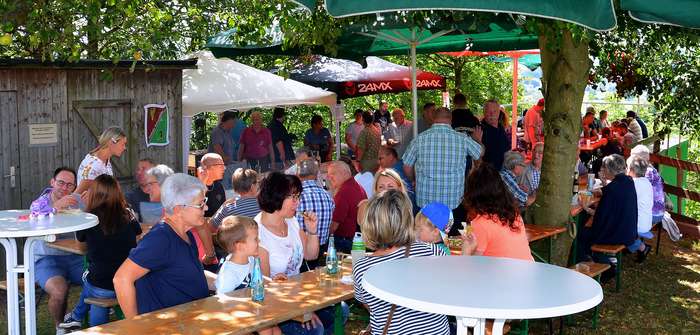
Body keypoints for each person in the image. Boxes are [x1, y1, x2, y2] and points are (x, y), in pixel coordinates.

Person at [353, 190, 450, 335]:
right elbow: (448, 293)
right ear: (408, 220)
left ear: (370, 224)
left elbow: (370, 306)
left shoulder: (361, 268)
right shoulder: (434, 253)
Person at [114, 173, 211, 318]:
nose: (206, 207)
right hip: (168, 327)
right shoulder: (160, 239)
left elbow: (188, 275)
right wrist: (134, 326)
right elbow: (122, 278)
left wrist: (224, 279)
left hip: (191, 319)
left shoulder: (186, 233)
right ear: (179, 209)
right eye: (200, 204)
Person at [255, 172, 339, 334]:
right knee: (315, 329)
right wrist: (302, 309)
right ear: (276, 196)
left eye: (298, 197)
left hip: (298, 295)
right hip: (277, 304)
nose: (298, 203)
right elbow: (265, 288)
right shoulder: (258, 233)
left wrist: (312, 231)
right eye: (293, 197)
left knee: (340, 310)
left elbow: (311, 255)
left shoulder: (291, 221)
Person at [59, 175, 142, 329]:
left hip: (102, 284)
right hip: (129, 280)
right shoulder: (128, 214)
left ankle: (79, 318)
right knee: (95, 285)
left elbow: (81, 248)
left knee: (92, 281)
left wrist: (84, 209)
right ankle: (78, 317)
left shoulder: (88, 218)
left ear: (94, 193)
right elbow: (138, 236)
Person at [30, 168, 83, 334]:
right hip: (46, 259)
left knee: (98, 280)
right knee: (59, 290)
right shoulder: (39, 203)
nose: (64, 188)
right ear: (52, 182)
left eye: (70, 185)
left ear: (74, 187)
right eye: (61, 183)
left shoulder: (78, 201)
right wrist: (56, 207)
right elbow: (36, 224)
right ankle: (61, 327)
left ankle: (78, 316)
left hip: (75, 257)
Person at [403, 107, 483, 216]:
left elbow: (407, 166)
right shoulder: (462, 139)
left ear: (433, 118)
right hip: (453, 202)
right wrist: (477, 140)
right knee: (453, 233)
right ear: (451, 119)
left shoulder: (419, 139)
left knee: (427, 232)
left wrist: (413, 180)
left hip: (425, 203)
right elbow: (480, 153)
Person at [214, 216, 282, 335]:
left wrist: (271, 281)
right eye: (255, 239)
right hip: (237, 319)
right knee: (266, 330)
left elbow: (257, 279)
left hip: (253, 312)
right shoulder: (229, 273)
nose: (259, 241)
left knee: (275, 330)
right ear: (240, 246)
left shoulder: (250, 259)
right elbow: (222, 302)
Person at [461, 164, 534, 261]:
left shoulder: (481, 223)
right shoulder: (514, 215)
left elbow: (472, 267)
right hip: (528, 270)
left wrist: (465, 251)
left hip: (504, 274)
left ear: (473, 193)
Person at [578, 155, 638, 265]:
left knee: (581, 234)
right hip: (629, 232)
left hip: (617, 234)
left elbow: (600, 216)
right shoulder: (628, 181)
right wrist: (603, 182)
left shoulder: (613, 189)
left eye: (603, 168)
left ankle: (591, 263)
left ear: (609, 170)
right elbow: (608, 190)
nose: (602, 170)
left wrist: (586, 208)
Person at [295, 159, 334, 268]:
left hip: (300, 254)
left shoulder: (295, 197)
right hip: (322, 253)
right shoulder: (327, 196)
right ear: (317, 175)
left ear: (298, 174)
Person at [327, 161, 367, 253]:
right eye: (328, 175)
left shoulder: (343, 191)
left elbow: (333, 226)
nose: (329, 178)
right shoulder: (358, 187)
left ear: (344, 173)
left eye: (332, 174)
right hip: (358, 239)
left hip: (345, 242)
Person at [76, 126, 127, 194]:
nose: (124, 148)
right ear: (111, 142)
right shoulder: (93, 165)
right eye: (123, 144)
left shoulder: (105, 160)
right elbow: (77, 195)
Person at [626, 156, 653, 262]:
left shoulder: (634, 183)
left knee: (617, 226)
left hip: (638, 224)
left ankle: (642, 247)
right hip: (646, 221)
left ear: (631, 170)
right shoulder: (646, 182)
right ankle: (640, 247)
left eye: (627, 167)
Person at [630, 145, 665, 225]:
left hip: (652, 214)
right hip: (657, 211)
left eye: (632, 158)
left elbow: (634, 191)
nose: (631, 160)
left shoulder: (647, 172)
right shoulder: (651, 169)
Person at [208, 111, 240, 189]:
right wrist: (227, 160)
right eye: (234, 122)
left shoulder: (228, 132)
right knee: (220, 189)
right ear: (229, 120)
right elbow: (217, 148)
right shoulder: (217, 132)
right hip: (217, 167)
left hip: (226, 166)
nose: (235, 124)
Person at [480, 99, 510, 171]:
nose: (492, 114)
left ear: (499, 112)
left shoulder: (501, 128)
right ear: (484, 112)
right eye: (488, 111)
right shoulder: (480, 130)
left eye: (495, 111)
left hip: (503, 171)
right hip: (489, 175)